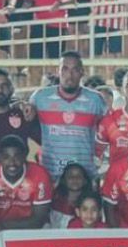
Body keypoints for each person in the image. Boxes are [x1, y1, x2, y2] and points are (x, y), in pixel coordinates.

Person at [30, 51, 108, 180]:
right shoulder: (40, 97)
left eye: (75, 70)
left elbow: (107, 131)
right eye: (65, 69)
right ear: (58, 71)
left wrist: (98, 157)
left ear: (82, 72)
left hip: (85, 176)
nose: (69, 75)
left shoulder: (95, 100)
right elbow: (27, 121)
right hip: (50, 175)